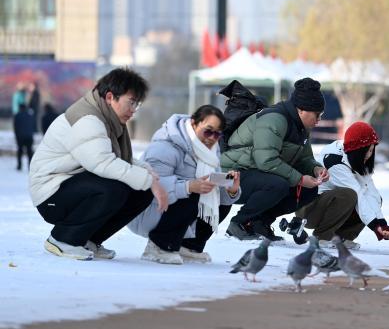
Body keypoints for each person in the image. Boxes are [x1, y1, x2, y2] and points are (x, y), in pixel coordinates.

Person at [29, 68, 167, 260]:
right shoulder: (88, 119)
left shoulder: (107, 119)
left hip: (72, 185)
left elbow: (114, 157)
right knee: (114, 188)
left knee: (140, 191)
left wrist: (147, 174)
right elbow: (103, 162)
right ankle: (63, 239)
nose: (133, 109)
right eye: (131, 102)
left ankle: (89, 240)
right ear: (110, 97)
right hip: (51, 195)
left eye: (137, 104)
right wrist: (147, 179)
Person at [128, 105, 241, 264]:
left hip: (178, 207)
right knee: (193, 194)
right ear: (194, 123)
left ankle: (188, 246)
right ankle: (158, 246)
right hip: (147, 209)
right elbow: (151, 186)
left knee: (220, 202)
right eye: (208, 131)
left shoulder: (210, 150)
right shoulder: (166, 146)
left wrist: (231, 190)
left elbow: (214, 190)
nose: (211, 138)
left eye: (217, 134)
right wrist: (188, 186)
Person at [221, 77, 328, 241]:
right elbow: (266, 161)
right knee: (279, 184)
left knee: (309, 189)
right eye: (317, 114)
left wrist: (315, 169)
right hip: (229, 176)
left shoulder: (301, 127)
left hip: (254, 174)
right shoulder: (274, 120)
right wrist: (300, 179)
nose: (319, 120)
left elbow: (304, 158)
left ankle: (259, 223)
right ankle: (239, 223)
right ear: (301, 110)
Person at [296, 121, 389, 249]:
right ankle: (322, 237)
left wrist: (382, 225)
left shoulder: (357, 159)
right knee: (349, 195)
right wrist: (375, 227)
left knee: (374, 199)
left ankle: (340, 238)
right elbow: (359, 195)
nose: (368, 155)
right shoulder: (335, 161)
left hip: (329, 204)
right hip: (309, 210)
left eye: (371, 150)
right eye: (365, 151)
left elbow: (370, 192)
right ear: (357, 150)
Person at [13, 104, 35, 171]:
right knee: (29, 152)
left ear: (20, 108)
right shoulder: (30, 116)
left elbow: (15, 127)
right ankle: (30, 166)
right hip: (29, 136)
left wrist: (16, 137)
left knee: (20, 151)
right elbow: (33, 126)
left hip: (21, 137)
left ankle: (19, 165)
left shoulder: (17, 116)